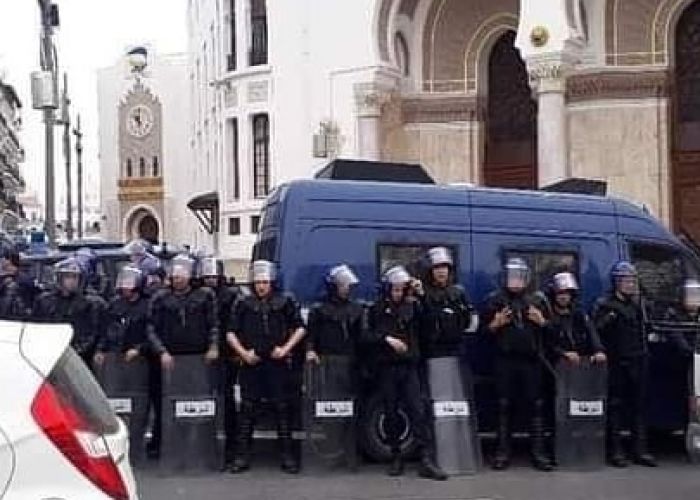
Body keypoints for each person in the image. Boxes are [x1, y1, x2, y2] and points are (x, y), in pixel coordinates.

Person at [366, 265, 447, 480]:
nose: (398, 293)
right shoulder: (377, 308)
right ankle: (395, 457)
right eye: (395, 289)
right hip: (386, 368)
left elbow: (431, 323)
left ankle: (427, 460)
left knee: (419, 411)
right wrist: (387, 339)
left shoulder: (414, 306)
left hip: (409, 367)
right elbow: (366, 335)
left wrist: (422, 296)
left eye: (402, 289)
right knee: (391, 413)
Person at [226, 260, 306, 474]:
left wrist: (285, 348)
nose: (261, 285)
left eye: (265, 281)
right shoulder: (243, 302)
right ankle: (242, 457)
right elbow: (231, 332)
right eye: (258, 281)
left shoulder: (285, 301)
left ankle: (287, 457)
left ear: (272, 281)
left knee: (282, 408)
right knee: (247, 410)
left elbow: (299, 328)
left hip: (277, 363)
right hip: (251, 362)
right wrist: (243, 353)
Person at [482, 257, 553, 471]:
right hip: (505, 361)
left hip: (531, 361)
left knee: (536, 406)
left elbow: (553, 333)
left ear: (526, 278)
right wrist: (495, 324)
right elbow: (481, 335)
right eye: (511, 276)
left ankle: (539, 454)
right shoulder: (495, 300)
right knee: (504, 405)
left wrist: (543, 322)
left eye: (519, 276)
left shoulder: (538, 300)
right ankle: (503, 453)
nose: (515, 281)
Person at [593, 261, 657, 468]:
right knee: (615, 407)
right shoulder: (605, 304)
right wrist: (608, 319)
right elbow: (595, 330)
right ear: (616, 282)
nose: (631, 285)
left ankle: (640, 451)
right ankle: (616, 452)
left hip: (639, 360)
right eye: (626, 281)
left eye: (633, 280)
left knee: (639, 407)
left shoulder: (639, 305)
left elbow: (646, 329)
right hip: (617, 363)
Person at [198, 256, 241, 469]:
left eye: (214, 275)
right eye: (207, 275)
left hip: (226, 354)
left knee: (227, 402)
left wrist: (235, 351)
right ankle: (203, 446)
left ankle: (231, 449)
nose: (211, 279)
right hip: (202, 356)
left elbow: (235, 323)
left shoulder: (231, 295)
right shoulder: (197, 295)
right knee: (202, 400)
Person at [33, 258, 100, 369]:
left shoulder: (88, 303)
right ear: (60, 278)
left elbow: (91, 332)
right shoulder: (44, 300)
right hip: (50, 355)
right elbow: (37, 327)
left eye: (75, 277)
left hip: (78, 356)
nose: (72, 281)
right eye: (68, 277)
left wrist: (77, 351)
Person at [418, 247, 474, 358]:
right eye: (436, 268)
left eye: (444, 267)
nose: (441, 271)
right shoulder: (423, 292)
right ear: (430, 271)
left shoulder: (458, 292)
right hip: (431, 351)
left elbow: (470, 320)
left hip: (456, 349)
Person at [546, 272, 607, 366]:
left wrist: (598, 350)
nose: (563, 297)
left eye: (567, 293)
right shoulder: (548, 315)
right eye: (560, 293)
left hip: (578, 367)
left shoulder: (578, 315)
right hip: (555, 366)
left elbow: (591, 332)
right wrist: (563, 353)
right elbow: (548, 342)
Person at [0, 246, 27, 320]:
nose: (1, 261)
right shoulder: (3, 278)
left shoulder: (23, 280)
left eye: (3, 258)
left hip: (14, 318)